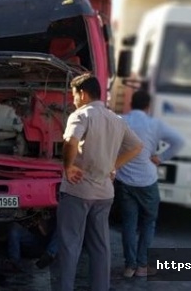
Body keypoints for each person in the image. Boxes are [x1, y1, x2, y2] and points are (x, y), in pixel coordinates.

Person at [56, 73, 143, 291]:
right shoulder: (116, 119)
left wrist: (68, 167)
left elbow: (70, 141)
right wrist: (114, 166)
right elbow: (137, 147)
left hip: (78, 190)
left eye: (74, 95)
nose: (73, 100)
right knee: (100, 247)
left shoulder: (81, 115)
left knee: (70, 245)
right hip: (104, 193)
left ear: (82, 94)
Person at [115, 90, 184, 278]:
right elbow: (179, 141)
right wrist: (160, 157)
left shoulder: (121, 120)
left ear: (132, 104)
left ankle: (129, 267)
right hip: (147, 180)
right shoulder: (155, 124)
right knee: (148, 222)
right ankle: (142, 266)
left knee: (129, 223)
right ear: (148, 106)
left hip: (124, 179)